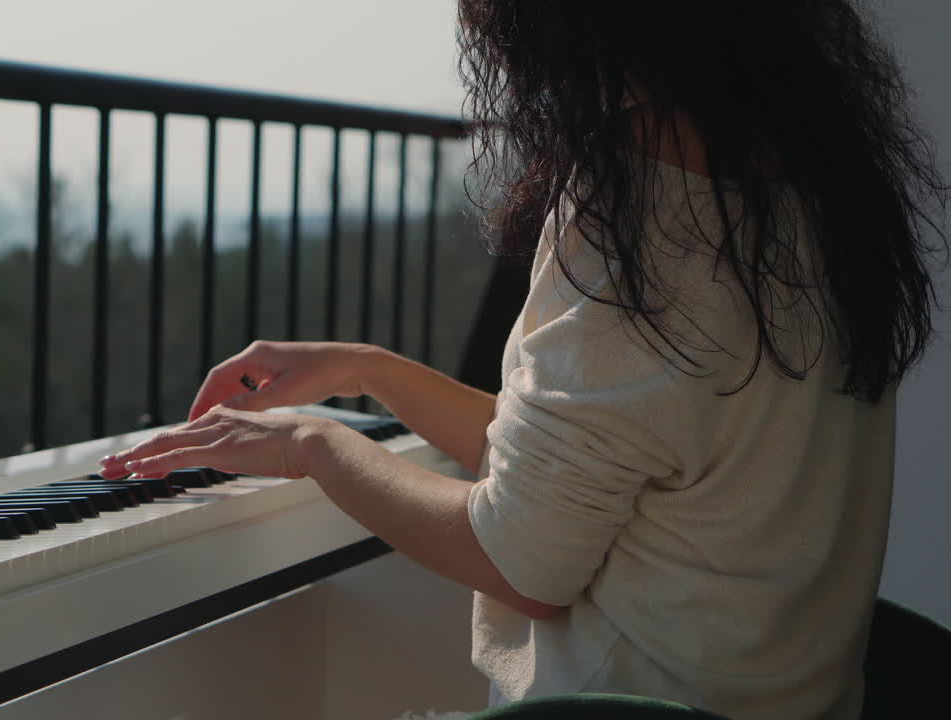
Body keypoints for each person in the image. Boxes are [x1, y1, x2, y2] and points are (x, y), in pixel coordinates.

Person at [99, 1, 948, 716]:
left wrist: (312, 443)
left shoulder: (645, 217)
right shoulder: (807, 188)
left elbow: (521, 562)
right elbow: (585, 464)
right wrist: (369, 370)